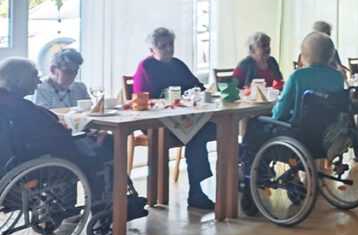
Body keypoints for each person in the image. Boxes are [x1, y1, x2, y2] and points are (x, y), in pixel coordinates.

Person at [240, 32, 349, 214]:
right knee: (267, 129)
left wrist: (272, 114)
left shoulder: (298, 77)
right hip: (327, 138)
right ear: (330, 55)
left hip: (298, 136)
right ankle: (291, 178)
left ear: (303, 56)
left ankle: (253, 180)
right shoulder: (337, 76)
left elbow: (281, 111)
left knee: (254, 126)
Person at [133, 27, 217, 210]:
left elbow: (198, 87)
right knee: (197, 136)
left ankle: (230, 182)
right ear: (152, 50)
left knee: (218, 130)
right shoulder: (146, 67)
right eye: (163, 46)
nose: (169, 49)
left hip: (184, 119)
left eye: (170, 45)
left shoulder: (178, 64)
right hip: (156, 123)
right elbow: (141, 98)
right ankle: (197, 193)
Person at [0, 57, 109, 199]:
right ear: (19, 80)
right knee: (106, 145)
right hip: (33, 160)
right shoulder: (22, 108)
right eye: (35, 76)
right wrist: (82, 133)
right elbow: (58, 133)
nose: (39, 82)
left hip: (9, 161)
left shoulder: (7, 102)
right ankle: (104, 204)